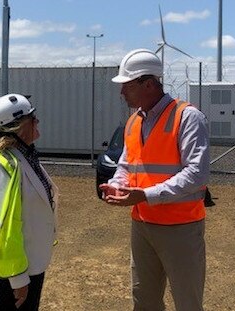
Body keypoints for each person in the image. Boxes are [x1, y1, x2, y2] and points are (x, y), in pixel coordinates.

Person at [99, 49, 210, 310]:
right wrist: (116, 185)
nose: (121, 93)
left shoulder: (188, 117)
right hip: (142, 225)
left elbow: (197, 173)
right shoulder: (134, 122)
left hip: (180, 227)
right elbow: (126, 164)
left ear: (148, 84)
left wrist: (146, 195)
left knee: (187, 302)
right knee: (144, 301)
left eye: (126, 86)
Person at [0, 93, 58, 310]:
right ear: (22, 126)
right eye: (34, 118)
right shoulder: (6, 168)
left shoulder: (25, 157)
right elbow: (5, 227)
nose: (38, 121)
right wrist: (18, 279)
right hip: (19, 269)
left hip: (32, 261)